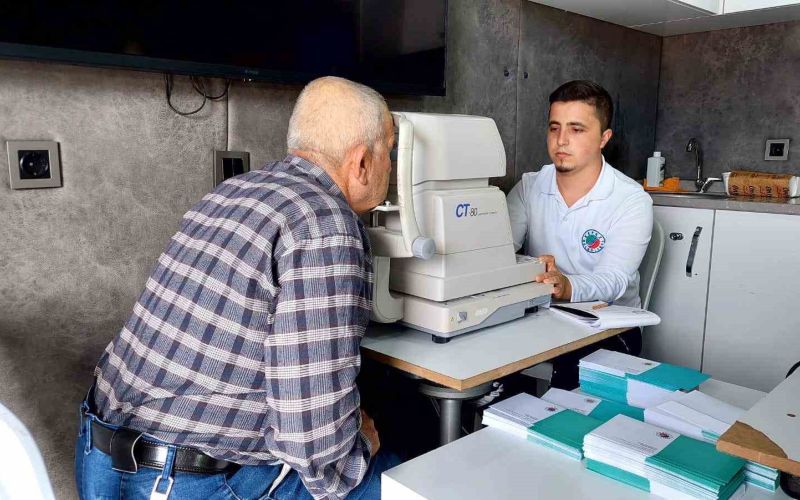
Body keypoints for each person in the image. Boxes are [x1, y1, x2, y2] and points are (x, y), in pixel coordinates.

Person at [75, 76, 399, 500]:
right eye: (390, 152)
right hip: (180, 483)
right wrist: (362, 450)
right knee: (403, 477)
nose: (390, 167)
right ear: (362, 162)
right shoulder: (325, 223)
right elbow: (312, 443)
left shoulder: (234, 191)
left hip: (100, 460)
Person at [507, 80, 653, 389]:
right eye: (554, 128)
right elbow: (499, 252)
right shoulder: (529, 187)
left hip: (609, 324)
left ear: (604, 138)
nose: (561, 140)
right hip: (542, 315)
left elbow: (614, 279)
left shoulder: (630, 199)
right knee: (493, 358)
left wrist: (566, 285)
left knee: (567, 382)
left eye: (576, 129)